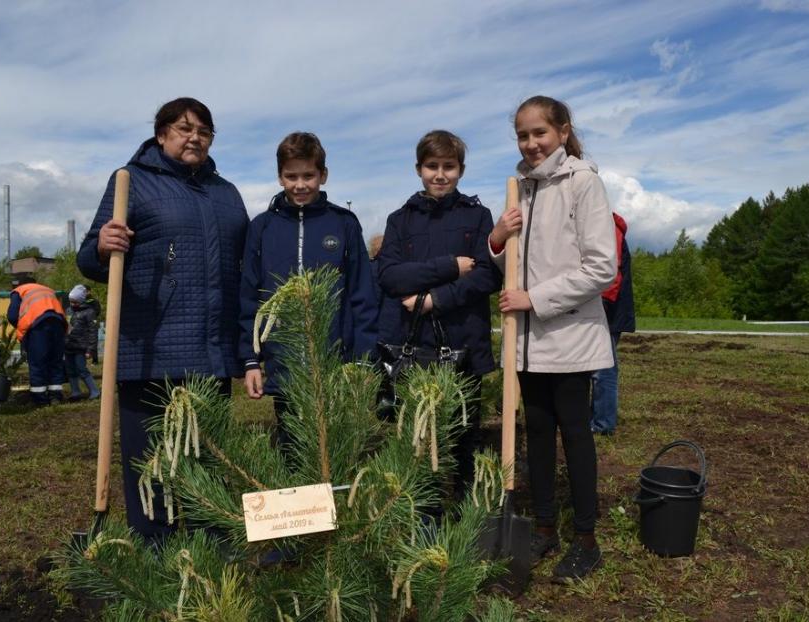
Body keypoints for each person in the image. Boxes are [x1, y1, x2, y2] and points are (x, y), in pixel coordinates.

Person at [77, 97, 249, 541]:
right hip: (148, 352)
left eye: (204, 131)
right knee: (150, 459)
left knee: (207, 456)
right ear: (161, 135)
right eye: (183, 128)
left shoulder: (226, 193)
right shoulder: (130, 182)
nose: (194, 137)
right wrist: (102, 245)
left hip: (211, 353)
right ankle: (156, 546)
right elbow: (90, 259)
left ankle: (213, 547)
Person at [489, 96, 617, 580]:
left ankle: (586, 538)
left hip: (569, 337)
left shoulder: (582, 183)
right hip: (526, 342)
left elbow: (601, 268)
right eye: (522, 135)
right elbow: (509, 265)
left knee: (575, 436)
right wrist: (498, 237)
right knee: (537, 435)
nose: (531, 143)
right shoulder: (518, 188)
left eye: (539, 133)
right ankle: (544, 529)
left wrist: (534, 298)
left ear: (563, 132)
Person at [378, 129, 501, 501]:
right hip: (416, 348)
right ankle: (426, 518)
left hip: (465, 342)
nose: (440, 175)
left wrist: (435, 299)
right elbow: (389, 276)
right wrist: (448, 266)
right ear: (419, 169)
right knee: (421, 437)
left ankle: (466, 515)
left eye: (449, 166)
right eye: (432, 166)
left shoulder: (478, 216)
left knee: (465, 435)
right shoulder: (400, 220)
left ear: (461, 170)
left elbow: (487, 274)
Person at [239, 132, 378, 444]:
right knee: (291, 448)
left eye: (308, 175)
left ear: (323, 175)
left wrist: (363, 359)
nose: (299, 184)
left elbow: (362, 296)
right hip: (283, 364)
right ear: (279, 177)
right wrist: (251, 360)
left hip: (335, 365)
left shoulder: (344, 224)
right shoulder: (263, 228)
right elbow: (250, 296)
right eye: (291, 176)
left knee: (335, 449)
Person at [590, 212, 635, 435]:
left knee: (603, 369)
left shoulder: (607, 227)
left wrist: (599, 309)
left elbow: (610, 276)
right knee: (593, 367)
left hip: (608, 311)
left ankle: (603, 424)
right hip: (602, 308)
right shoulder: (599, 224)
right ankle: (594, 417)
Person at [8, 277, 67, 406]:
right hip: (58, 324)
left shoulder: (19, 291)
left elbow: (12, 315)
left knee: (37, 362)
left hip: (38, 327)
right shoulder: (47, 289)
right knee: (55, 360)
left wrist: (22, 327)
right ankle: (55, 396)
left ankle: (40, 399)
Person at [64, 284, 101, 401]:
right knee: (70, 369)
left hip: (81, 346)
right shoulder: (69, 311)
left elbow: (93, 332)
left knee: (81, 368)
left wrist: (91, 349)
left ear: (81, 300)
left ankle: (94, 391)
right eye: (71, 302)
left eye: (75, 302)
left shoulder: (89, 312)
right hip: (69, 345)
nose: (72, 304)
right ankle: (75, 391)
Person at [83, 285, 101, 364]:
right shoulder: (81, 301)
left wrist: (89, 316)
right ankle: (83, 359)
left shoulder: (94, 301)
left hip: (92, 323)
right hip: (84, 324)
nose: (85, 293)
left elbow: (97, 311)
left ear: (89, 291)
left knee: (93, 341)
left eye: (86, 291)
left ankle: (95, 360)